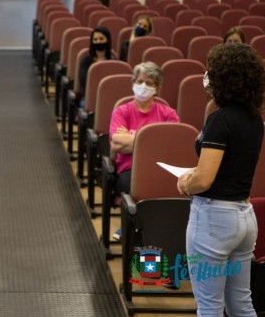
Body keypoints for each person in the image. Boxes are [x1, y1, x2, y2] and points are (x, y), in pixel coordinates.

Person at [177, 43, 264, 316]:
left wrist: (185, 183)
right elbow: (228, 165)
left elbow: (204, 180)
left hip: (214, 220)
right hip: (245, 218)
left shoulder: (220, 120)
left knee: (209, 307)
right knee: (241, 304)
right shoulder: (254, 119)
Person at [109, 61, 179, 240]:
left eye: (149, 83)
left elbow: (170, 145)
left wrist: (132, 136)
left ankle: (154, 235)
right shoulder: (121, 111)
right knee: (136, 189)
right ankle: (140, 233)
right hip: (129, 170)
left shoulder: (168, 114)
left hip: (160, 168)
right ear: (133, 83)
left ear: (157, 87)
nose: (143, 86)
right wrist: (152, 140)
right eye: (139, 81)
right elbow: (116, 142)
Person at [78, 26, 115, 107]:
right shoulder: (86, 61)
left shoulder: (114, 61)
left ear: (107, 41)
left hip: (109, 97)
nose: (98, 41)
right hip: (90, 97)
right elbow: (84, 82)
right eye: (95, 39)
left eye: (101, 39)